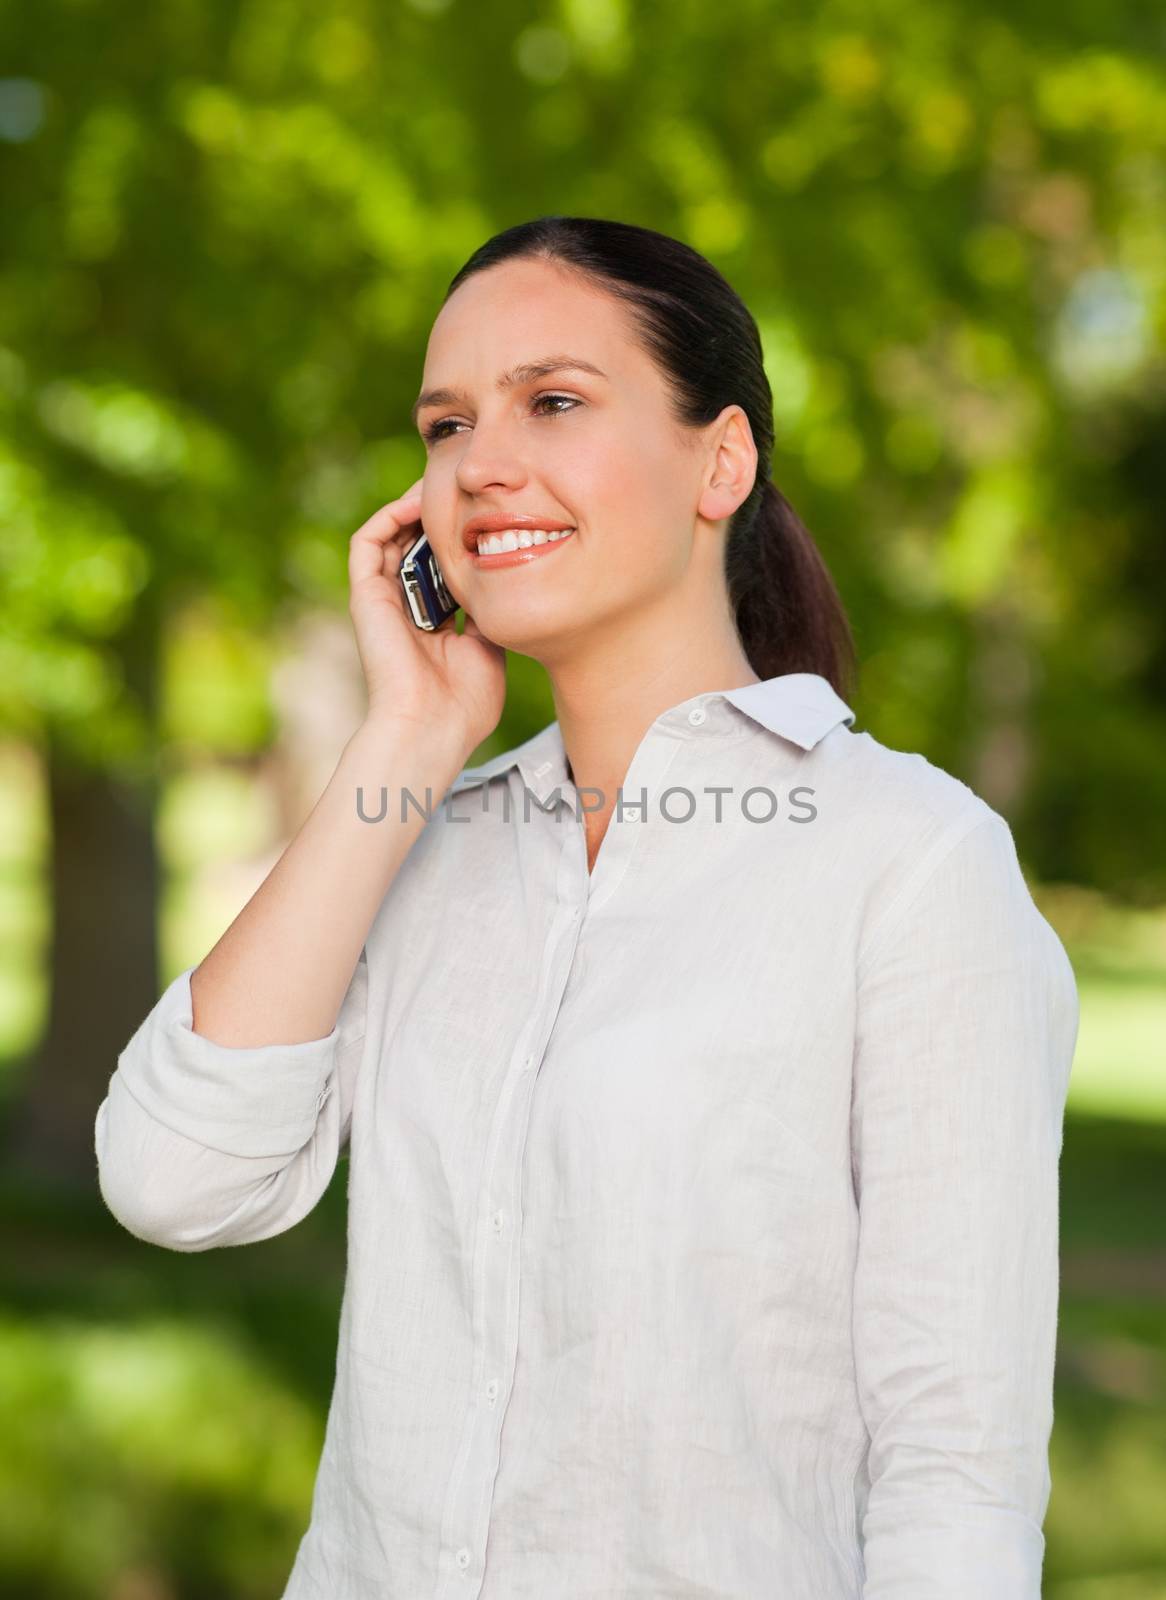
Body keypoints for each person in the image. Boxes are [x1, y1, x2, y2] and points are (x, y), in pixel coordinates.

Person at [94, 216, 1080, 1599]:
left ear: (719, 460)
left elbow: (955, 1472)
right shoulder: (425, 843)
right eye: (443, 426)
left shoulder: (907, 860)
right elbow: (173, 1182)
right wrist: (405, 742)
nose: (479, 463)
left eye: (552, 402)